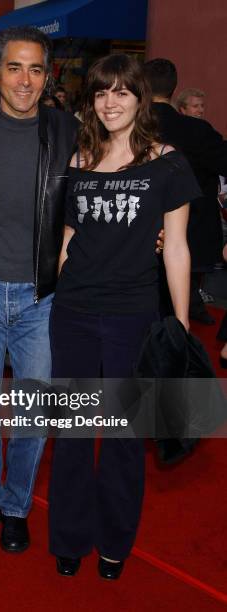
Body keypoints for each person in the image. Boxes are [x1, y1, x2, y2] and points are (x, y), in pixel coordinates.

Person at [48, 54, 200, 579]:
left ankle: (114, 542)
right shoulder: (80, 157)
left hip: (132, 315)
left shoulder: (168, 162)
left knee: (122, 436)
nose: (109, 102)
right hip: (71, 311)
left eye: (121, 92)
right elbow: (70, 237)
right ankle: (67, 537)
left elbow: (177, 248)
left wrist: (179, 323)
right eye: (100, 93)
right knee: (70, 430)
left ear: (140, 98)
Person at [0, 26, 78, 553]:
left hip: (41, 299)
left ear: (46, 75)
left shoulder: (67, 130)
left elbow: (115, 168)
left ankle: (16, 507)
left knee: (34, 416)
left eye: (35, 69)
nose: (25, 80)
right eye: (14, 67)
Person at [144, 59, 227, 325]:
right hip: (193, 233)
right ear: (173, 88)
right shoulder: (197, 131)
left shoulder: (131, 129)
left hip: (139, 233)